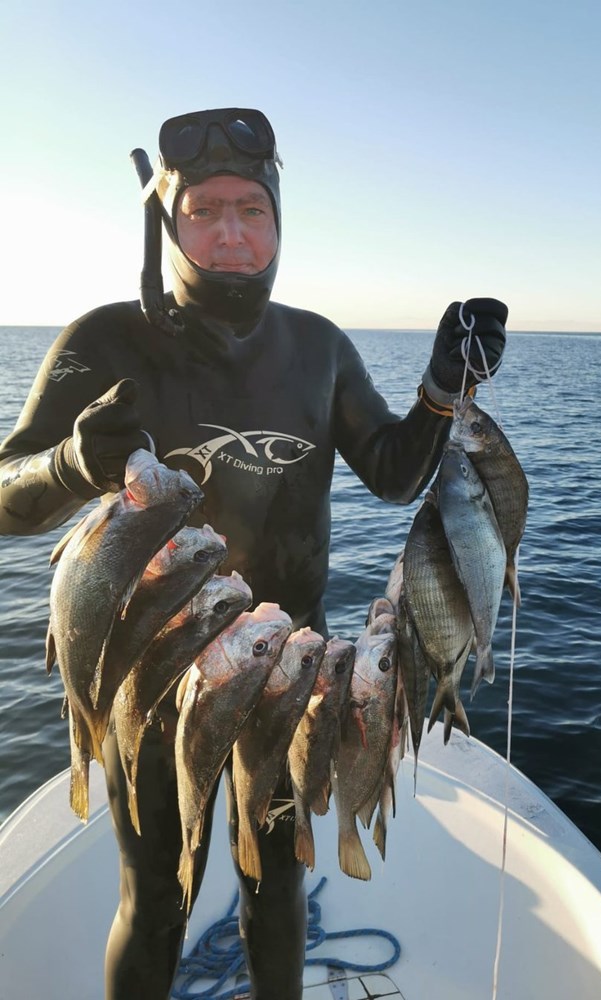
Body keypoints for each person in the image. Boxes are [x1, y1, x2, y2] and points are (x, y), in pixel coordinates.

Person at [0, 108, 508, 1000]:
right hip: (149, 688)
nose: (232, 232)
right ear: (167, 217)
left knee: (277, 892)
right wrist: (69, 462)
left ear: (279, 221)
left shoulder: (316, 347)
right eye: (204, 209)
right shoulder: (103, 341)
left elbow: (392, 474)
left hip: (288, 683)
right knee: (156, 899)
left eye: (253, 209)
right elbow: (7, 495)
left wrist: (440, 391)